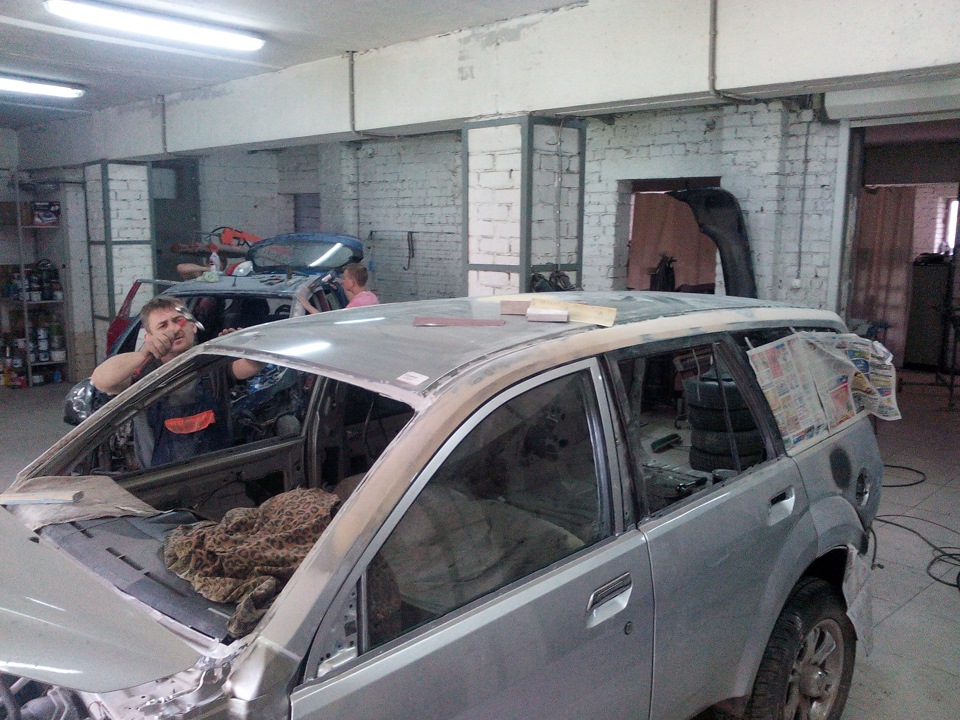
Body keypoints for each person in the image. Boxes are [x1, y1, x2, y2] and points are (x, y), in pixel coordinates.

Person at [91, 296, 263, 467]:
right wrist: (142, 354)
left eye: (178, 320)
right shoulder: (143, 374)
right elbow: (101, 381)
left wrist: (246, 347)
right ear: (149, 338)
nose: (174, 329)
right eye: (163, 326)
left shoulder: (212, 364)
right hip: (162, 478)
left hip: (216, 473)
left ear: (193, 326)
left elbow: (253, 366)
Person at [297, 262, 379, 314]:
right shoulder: (371, 297)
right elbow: (354, 298)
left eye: (345, 278)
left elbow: (329, 322)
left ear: (352, 282)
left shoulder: (355, 305)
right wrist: (343, 284)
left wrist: (307, 306)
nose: (343, 281)